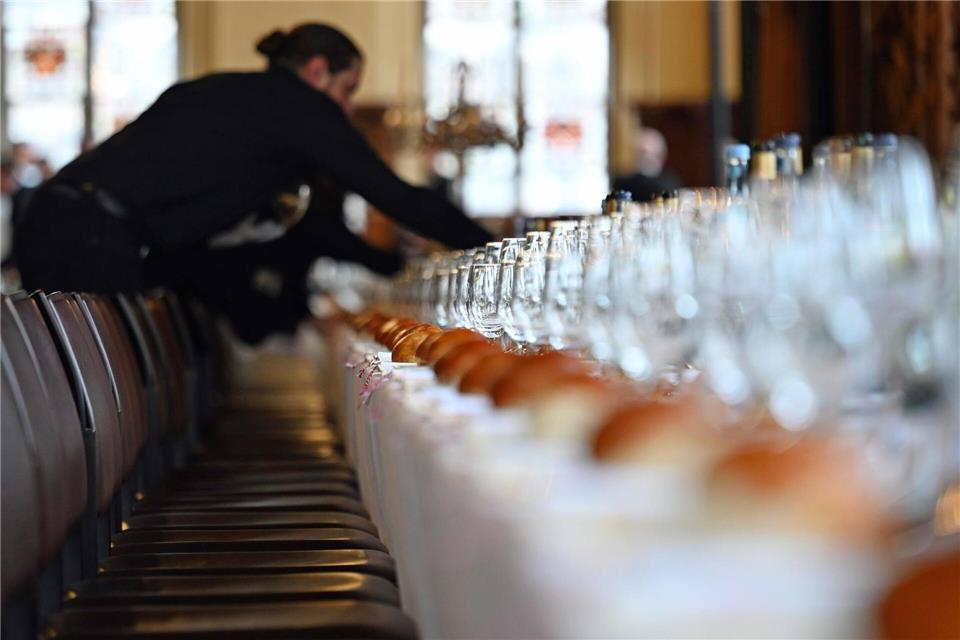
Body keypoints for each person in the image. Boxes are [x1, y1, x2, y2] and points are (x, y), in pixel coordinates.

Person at [14, 23, 491, 295]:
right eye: (347, 91)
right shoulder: (295, 106)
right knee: (101, 403)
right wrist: (491, 249)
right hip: (85, 232)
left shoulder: (239, 95)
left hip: (65, 220)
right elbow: (389, 193)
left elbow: (306, 227)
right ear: (317, 71)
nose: (345, 110)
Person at [611, 126, 681, 202]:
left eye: (645, 153)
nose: (643, 158)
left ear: (660, 156)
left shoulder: (669, 179)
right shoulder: (623, 181)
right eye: (639, 153)